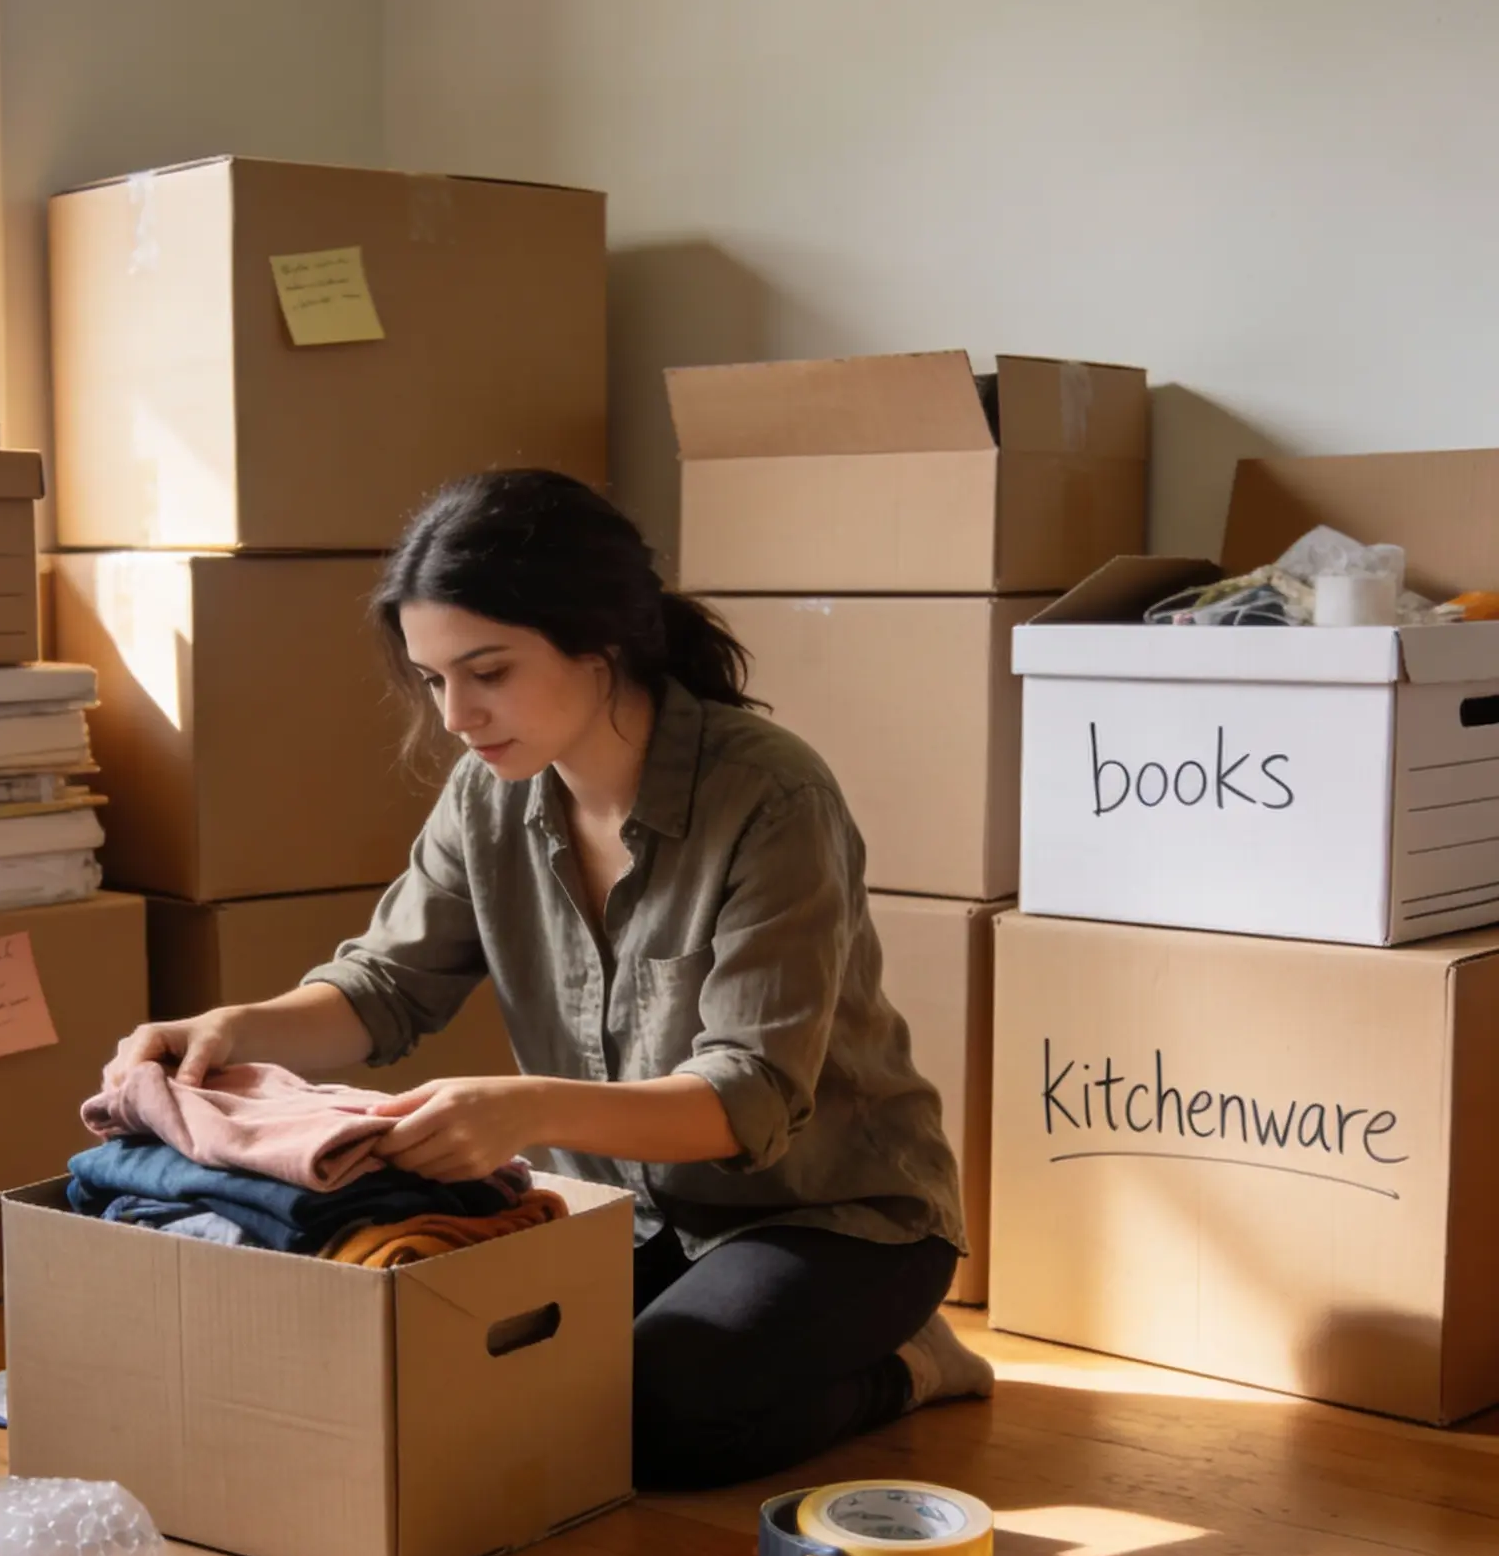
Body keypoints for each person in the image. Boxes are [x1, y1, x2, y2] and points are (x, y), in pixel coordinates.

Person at [106, 468, 993, 1488]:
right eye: (432, 678)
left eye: (485, 670)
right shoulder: (487, 797)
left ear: (599, 638)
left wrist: (523, 1108)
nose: (455, 715)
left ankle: (907, 1361)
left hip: (830, 1215)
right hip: (627, 1211)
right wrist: (230, 1027)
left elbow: (747, 1097)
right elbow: (384, 988)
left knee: (654, 1415)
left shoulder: (770, 794)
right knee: (456, 1379)